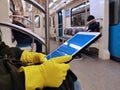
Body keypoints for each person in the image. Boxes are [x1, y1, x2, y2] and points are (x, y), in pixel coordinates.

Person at [0, 41, 73, 90]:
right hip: (9, 81)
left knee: (66, 74)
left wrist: (23, 55)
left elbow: (2, 48)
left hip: (7, 66)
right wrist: (37, 76)